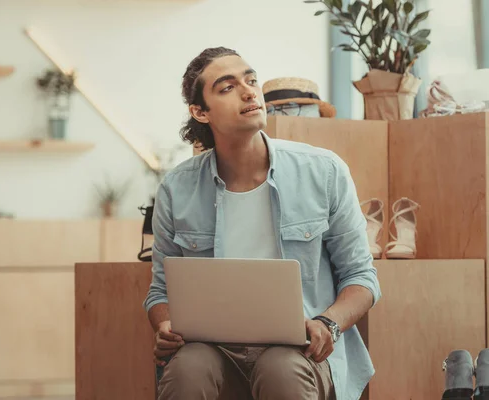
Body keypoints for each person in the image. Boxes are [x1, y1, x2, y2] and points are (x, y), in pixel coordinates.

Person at [143, 47, 382, 400]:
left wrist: (327, 324)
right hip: (211, 349)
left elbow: (362, 278)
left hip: (297, 349)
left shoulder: (325, 171)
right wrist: (164, 324)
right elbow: (160, 292)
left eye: (251, 80)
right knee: (187, 369)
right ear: (200, 112)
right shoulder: (176, 189)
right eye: (227, 88)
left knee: (281, 370)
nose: (249, 91)